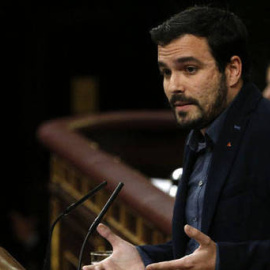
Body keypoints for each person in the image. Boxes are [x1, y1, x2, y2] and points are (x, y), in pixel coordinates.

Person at [82, 6, 270, 270]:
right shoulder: (199, 135)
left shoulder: (264, 128)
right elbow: (196, 253)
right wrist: (142, 257)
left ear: (232, 70)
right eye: (166, 73)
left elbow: (216, 256)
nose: (174, 86)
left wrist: (225, 260)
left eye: (190, 69)